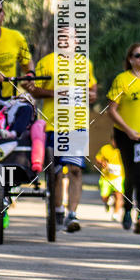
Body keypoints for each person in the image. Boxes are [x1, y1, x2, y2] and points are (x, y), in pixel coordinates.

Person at [33, 29, 97, 233]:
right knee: (56, 172)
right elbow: (33, 88)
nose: (67, 41)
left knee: (76, 170)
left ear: (77, 41)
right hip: (53, 125)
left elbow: (93, 89)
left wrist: (92, 95)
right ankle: (57, 209)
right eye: (62, 37)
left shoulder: (85, 63)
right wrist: (55, 93)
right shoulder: (47, 61)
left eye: (71, 37)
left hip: (77, 125)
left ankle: (72, 214)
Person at [107, 43, 140, 233]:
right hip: (124, 133)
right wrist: (128, 130)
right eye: (137, 55)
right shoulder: (122, 79)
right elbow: (111, 110)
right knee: (129, 173)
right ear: (130, 59)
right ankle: (127, 209)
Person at [95, 136, 124, 221]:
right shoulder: (105, 148)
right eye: (114, 140)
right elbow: (98, 158)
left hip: (119, 177)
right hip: (106, 177)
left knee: (118, 195)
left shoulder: (124, 149)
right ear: (111, 140)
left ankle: (115, 213)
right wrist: (102, 162)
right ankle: (106, 203)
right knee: (104, 197)